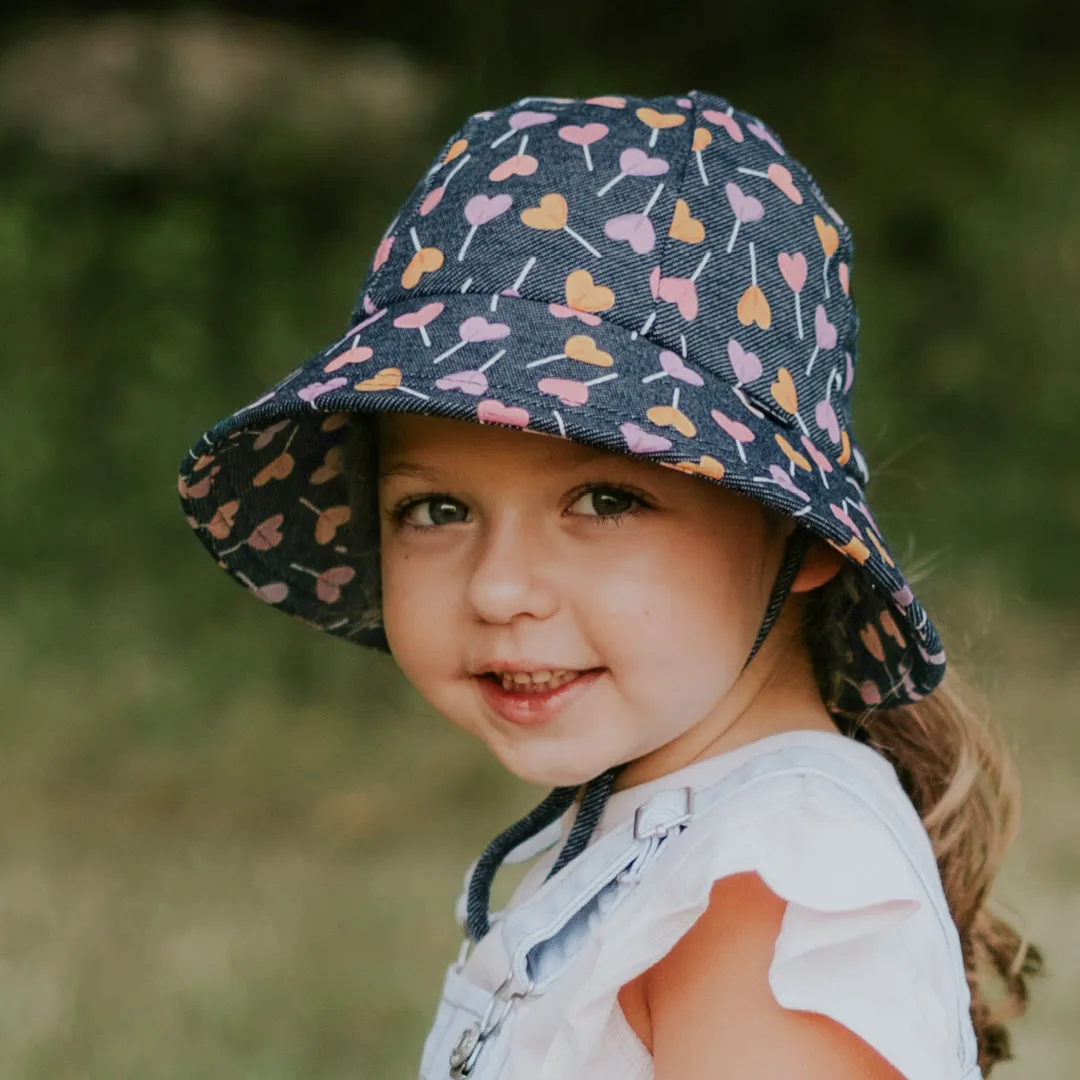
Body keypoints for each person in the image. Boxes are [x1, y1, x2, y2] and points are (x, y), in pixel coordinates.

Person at [178, 90, 1040, 1079]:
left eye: (604, 501)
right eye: (438, 511)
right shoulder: (679, 831)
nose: (500, 590)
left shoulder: (760, 898)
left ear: (802, 534)